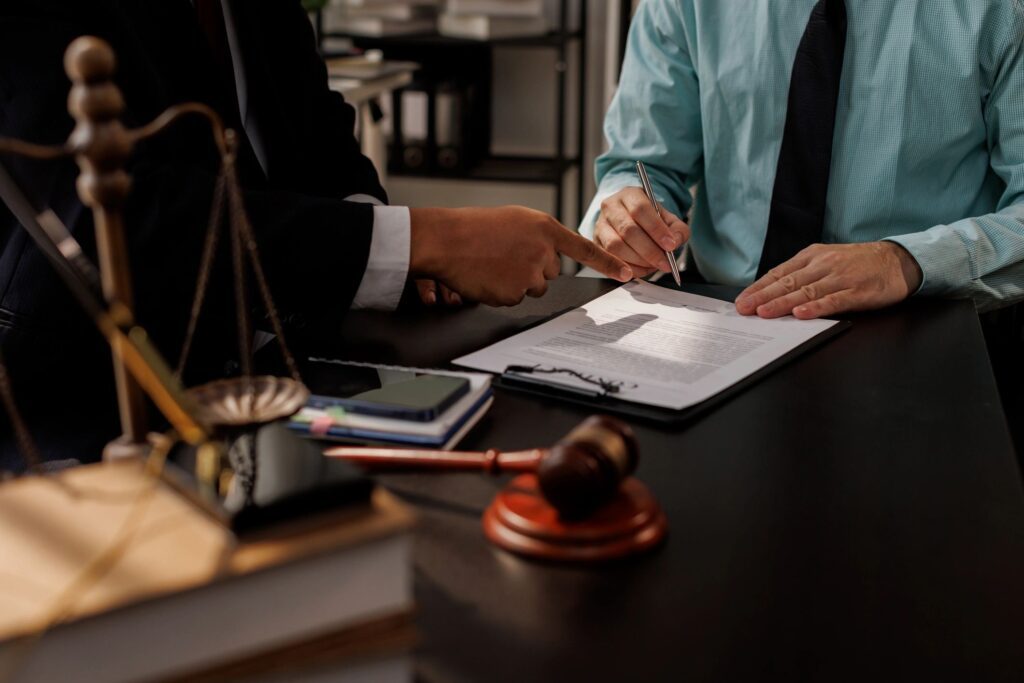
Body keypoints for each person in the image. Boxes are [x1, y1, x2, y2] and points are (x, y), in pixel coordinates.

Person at [0, 0, 631, 468]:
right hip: (90, 408)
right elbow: (117, 220)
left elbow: (320, 138)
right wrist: (424, 240)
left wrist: (403, 254)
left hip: (285, 377)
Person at [581, 0, 1024, 320]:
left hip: (924, 319)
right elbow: (643, 165)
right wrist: (630, 214)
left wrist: (905, 261)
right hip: (720, 311)